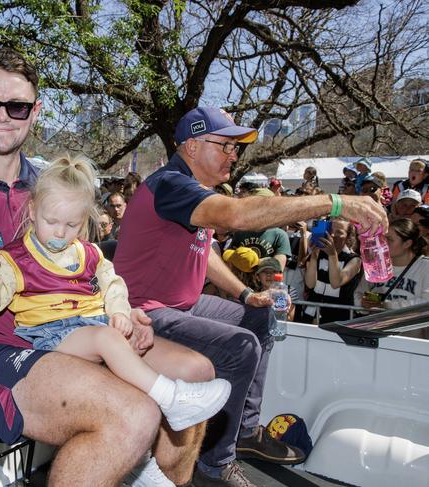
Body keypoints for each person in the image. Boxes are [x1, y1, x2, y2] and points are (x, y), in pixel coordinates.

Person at [0, 47, 221, 486]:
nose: (2, 115)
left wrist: (120, 313)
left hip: (72, 330)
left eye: (17, 105)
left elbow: (82, 270)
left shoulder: (50, 185)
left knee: (198, 374)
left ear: (34, 111)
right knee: (134, 414)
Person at [113, 106, 388, 487]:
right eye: (225, 145)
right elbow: (236, 217)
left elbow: (202, 252)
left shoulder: (192, 192)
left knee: (260, 319)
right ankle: (214, 465)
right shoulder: (171, 184)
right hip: (144, 311)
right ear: (192, 146)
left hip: (183, 304)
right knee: (240, 347)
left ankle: (244, 432)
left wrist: (244, 293)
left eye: (236, 147)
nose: (234, 154)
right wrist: (337, 203)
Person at [0, 155, 231, 485]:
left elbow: (113, 284)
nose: (61, 232)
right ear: (32, 211)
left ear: (84, 221)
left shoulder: (89, 253)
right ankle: (170, 397)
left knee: (123, 360)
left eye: (72, 225)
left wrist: (119, 312)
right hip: (52, 337)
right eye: (52, 222)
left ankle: (142, 464)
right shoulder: (13, 258)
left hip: (93, 325)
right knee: (109, 342)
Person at [355, 218, 429, 339]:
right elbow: (358, 293)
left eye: (389, 239)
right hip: (374, 335)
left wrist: (387, 305)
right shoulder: (376, 263)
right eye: (383, 238)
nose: (383, 242)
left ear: (407, 244)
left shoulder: (425, 266)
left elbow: (425, 304)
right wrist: (362, 303)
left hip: (411, 340)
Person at [301, 219, 362, 324]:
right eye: (331, 230)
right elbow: (310, 284)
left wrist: (332, 255)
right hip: (311, 315)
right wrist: (314, 255)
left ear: (348, 237)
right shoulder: (319, 254)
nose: (333, 235)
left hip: (337, 319)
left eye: (339, 232)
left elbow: (336, 283)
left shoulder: (354, 260)